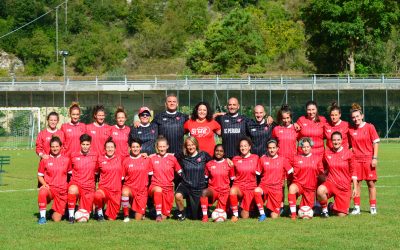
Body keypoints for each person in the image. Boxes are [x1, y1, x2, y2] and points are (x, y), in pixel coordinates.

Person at [348, 103, 380, 215]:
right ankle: (356, 207)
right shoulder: (350, 130)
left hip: (368, 160)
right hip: (356, 160)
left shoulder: (370, 127)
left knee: (371, 183)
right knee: (356, 184)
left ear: (362, 116)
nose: (355, 119)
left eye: (357, 116)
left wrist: (374, 158)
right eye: (353, 117)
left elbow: (376, 142)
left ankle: (373, 206)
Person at [317, 132, 357, 217]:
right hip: (331, 183)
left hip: (344, 187)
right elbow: (322, 166)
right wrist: (323, 176)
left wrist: (355, 187)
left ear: (342, 140)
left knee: (341, 215)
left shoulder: (348, 153)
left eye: (338, 140)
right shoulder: (327, 153)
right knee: (320, 190)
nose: (336, 142)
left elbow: (354, 171)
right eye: (334, 140)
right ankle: (324, 211)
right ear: (331, 141)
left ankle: (330, 206)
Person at [175, 137, 212, 221]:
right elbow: (169, 156)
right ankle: (181, 213)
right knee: (178, 195)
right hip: (186, 185)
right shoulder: (182, 156)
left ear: (196, 145)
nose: (191, 147)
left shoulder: (203, 155)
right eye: (188, 145)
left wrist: (226, 159)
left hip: (199, 187)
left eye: (192, 144)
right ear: (185, 146)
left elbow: (214, 162)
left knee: (195, 217)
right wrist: (154, 155)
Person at [254, 139, 291, 221]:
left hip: (276, 189)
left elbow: (291, 172)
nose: (272, 150)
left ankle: (269, 209)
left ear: (277, 148)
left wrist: (287, 181)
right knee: (256, 191)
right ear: (267, 149)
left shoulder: (283, 159)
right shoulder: (262, 159)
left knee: (274, 216)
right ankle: (262, 214)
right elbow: (257, 174)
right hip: (265, 186)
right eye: (270, 148)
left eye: (274, 148)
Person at [288, 137, 324, 220]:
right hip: (299, 184)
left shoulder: (317, 158)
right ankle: (293, 214)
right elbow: (288, 168)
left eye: (308, 146)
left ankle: (326, 206)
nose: (306, 148)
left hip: (310, 188)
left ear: (311, 147)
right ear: (301, 147)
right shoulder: (295, 158)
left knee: (306, 211)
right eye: (304, 147)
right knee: (292, 188)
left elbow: (321, 174)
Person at [37, 136, 70, 224]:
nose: (55, 148)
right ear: (50, 147)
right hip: (50, 189)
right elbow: (40, 176)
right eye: (53, 146)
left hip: (62, 192)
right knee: (42, 191)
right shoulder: (45, 160)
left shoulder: (66, 160)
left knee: (56, 219)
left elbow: (71, 175)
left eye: (56, 146)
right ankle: (43, 217)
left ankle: (52, 212)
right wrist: (44, 184)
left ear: (60, 147)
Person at [148, 136, 182, 222]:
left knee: (165, 216)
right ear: (157, 147)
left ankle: (157, 212)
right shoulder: (152, 158)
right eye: (160, 147)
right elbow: (148, 174)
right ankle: (158, 213)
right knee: (158, 190)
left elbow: (180, 172)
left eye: (164, 146)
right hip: (155, 186)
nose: (162, 149)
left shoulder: (172, 159)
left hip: (168, 188)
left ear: (167, 147)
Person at [272, 104, 298, 212]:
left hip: (292, 161)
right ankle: (281, 205)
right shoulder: (277, 129)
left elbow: (302, 142)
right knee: (280, 184)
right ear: (280, 118)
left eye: (288, 118)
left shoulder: (296, 128)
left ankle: (292, 206)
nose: (286, 120)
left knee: (291, 184)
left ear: (291, 117)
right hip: (280, 161)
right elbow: (272, 143)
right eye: (284, 118)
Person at [67, 134, 98, 223]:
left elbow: (97, 172)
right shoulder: (73, 155)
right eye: (83, 144)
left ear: (90, 144)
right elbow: (69, 171)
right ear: (80, 144)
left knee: (86, 213)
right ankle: (71, 216)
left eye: (87, 144)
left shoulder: (95, 155)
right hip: (76, 184)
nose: (85, 146)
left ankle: (78, 207)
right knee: (72, 190)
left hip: (89, 187)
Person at [121, 138, 153, 222]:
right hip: (130, 189)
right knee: (124, 192)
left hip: (142, 192)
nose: (135, 149)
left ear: (141, 148)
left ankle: (139, 211)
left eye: (137, 147)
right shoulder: (126, 161)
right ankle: (126, 215)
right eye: (133, 147)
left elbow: (151, 176)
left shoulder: (146, 159)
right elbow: (122, 178)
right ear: (130, 148)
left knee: (138, 219)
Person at [200, 144, 234, 222]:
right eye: (217, 151)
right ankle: (205, 217)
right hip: (213, 190)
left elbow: (232, 180)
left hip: (224, 192)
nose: (219, 153)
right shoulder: (209, 164)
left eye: (221, 151)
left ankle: (229, 207)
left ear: (224, 153)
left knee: (221, 213)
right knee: (204, 192)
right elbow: (206, 179)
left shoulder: (229, 164)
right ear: (214, 152)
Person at [229, 137, 260, 222]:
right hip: (239, 187)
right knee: (232, 190)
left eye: (245, 146)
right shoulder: (235, 159)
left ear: (249, 147)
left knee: (245, 216)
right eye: (241, 146)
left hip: (250, 188)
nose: (243, 148)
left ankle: (241, 207)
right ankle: (235, 215)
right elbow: (232, 176)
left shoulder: (256, 158)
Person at [94, 138, 123, 221]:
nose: (110, 149)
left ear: (115, 148)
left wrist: (146, 155)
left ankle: (106, 211)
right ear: (105, 149)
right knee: (97, 195)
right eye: (108, 147)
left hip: (115, 191)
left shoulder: (120, 158)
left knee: (111, 219)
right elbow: (96, 173)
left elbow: (132, 157)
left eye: (111, 147)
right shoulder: (100, 159)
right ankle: (100, 214)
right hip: (104, 189)